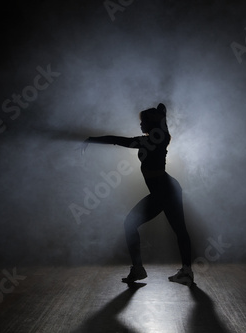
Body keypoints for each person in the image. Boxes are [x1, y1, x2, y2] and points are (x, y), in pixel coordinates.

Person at [82, 103, 193, 286]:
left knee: (173, 229)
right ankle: (158, 270)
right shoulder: (151, 139)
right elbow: (116, 140)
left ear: (151, 123)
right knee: (173, 229)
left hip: (167, 191)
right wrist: (92, 139)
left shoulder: (157, 139)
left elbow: (117, 139)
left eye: (143, 122)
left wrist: (91, 139)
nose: (140, 125)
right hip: (165, 190)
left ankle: (169, 270)